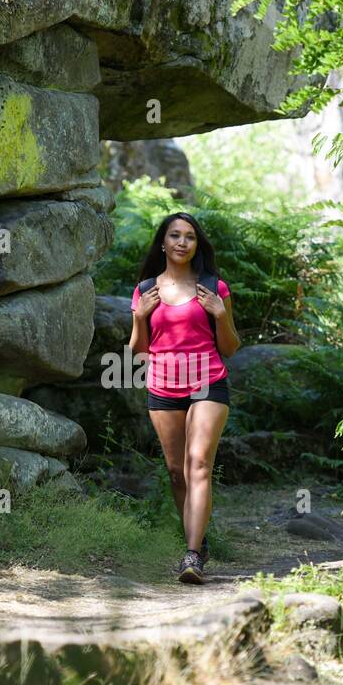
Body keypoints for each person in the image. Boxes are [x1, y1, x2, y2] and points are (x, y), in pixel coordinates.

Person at [129, 213, 241, 584]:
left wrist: (221, 315)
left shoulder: (214, 287)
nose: (181, 242)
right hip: (162, 387)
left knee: (198, 465)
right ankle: (200, 539)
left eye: (189, 237)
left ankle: (191, 556)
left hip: (208, 382)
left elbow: (230, 347)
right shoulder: (146, 290)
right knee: (177, 474)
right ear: (163, 242)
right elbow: (138, 352)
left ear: (197, 245)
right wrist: (139, 318)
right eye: (174, 235)